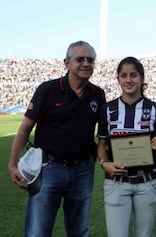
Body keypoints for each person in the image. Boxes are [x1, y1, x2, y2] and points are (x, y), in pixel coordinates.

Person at [8, 40, 106, 237]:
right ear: (66, 63)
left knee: (79, 231)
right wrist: (12, 164)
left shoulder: (98, 94)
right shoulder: (48, 90)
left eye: (90, 60)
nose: (86, 64)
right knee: (38, 231)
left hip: (83, 170)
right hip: (49, 168)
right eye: (80, 59)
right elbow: (25, 129)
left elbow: (104, 136)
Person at [97, 56, 156, 237]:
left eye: (133, 75)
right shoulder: (107, 110)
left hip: (147, 182)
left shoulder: (155, 110)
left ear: (142, 78)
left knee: (144, 234)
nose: (128, 80)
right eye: (124, 75)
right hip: (117, 183)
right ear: (118, 78)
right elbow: (102, 144)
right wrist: (104, 163)